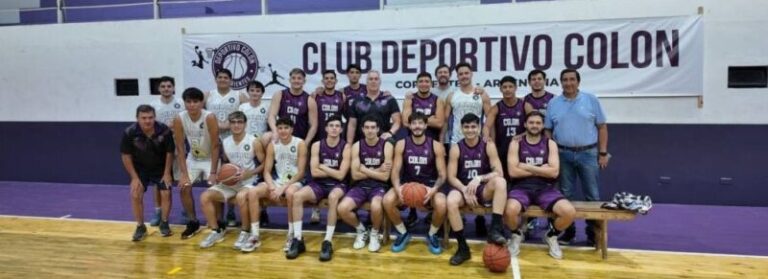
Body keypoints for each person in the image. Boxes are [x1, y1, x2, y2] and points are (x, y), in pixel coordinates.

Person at [544, 69, 610, 245]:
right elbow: (548, 130)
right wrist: (550, 154)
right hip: (562, 154)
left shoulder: (591, 100)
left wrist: (602, 153)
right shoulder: (553, 103)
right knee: (566, 194)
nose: (568, 83)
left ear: (578, 82)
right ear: (561, 83)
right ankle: (568, 231)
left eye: (572, 79)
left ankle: (592, 234)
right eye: (564, 80)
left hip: (588, 153)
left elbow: (602, 127)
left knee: (593, 196)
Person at [506, 111, 575, 259]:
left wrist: (527, 167)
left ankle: (551, 235)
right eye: (531, 122)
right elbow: (513, 172)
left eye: (538, 123)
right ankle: (517, 234)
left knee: (569, 212)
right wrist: (541, 168)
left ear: (543, 125)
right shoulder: (516, 143)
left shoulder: (550, 144)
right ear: (525, 125)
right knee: (510, 210)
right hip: (521, 188)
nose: (534, 125)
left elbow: (554, 173)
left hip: (545, 188)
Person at [445, 113, 508, 266]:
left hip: (482, 189)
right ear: (461, 128)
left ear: (479, 128)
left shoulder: (488, 145)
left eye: (473, 126)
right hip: (463, 188)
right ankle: (462, 248)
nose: (470, 130)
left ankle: (495, 229)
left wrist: (480, 178)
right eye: (466, 127)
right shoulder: (456, 148)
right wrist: (464, 189)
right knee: (450, 201)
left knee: (500, 182)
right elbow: (451, 177)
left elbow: (499, 172)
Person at [286, 116, 351, 261]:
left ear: (341, 129)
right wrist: (330, 170)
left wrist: (322, 166)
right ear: (326, 128)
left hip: (337, 185)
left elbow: (341, 175)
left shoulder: (346, 147)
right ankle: (297, 239)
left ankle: (327, 241)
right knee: (297, 196)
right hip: (319, 184)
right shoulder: (316, 145)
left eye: (337, 126)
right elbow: (314, 172)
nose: (334, 128)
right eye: (331, 125)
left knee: (333, 197)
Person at [383, 112, 447, 254]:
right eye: (414, 123)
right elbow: (395, 172)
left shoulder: (436, 145)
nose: (417, 126)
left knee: (442, 204)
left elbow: (442, 175)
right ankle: (403, 232)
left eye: (420, 123)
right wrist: (397, 188)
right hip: (407, 185)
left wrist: (434, 189)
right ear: (410, 125)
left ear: (425, 125)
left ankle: (432, 234)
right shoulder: (401, 144)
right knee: (387, 200)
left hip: (428, 186)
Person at [198, 111, 263, 249]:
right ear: (229, 124)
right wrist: (220, 175)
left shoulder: (254, 141)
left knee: (240, 197)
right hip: (231, 183)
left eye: (240, 122)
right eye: (233, 122)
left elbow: (264, 165)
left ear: (245, 124)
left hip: (249, 181)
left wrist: (249, 173)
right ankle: (216, 231)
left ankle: (245, 231)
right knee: (205, 196)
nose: (236, 125)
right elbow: (227, 164)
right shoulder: (225, 142)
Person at [241, 118, 308, 253]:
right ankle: (254, 235)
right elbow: (266, 171)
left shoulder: (300, 143)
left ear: (291, 129)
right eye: (280, 128)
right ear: (277, 130)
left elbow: (301, 172)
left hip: (295, 181)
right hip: (277, 181)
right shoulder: (272, 145)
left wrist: (282, 188)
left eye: (286, 128)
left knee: (290, 193)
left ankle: (291, 234)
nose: (283, 131)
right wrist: (272, 187)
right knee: (253, 192)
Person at [337, 115, 394, 253]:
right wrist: (376, 170)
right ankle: (361, 230)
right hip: (360, 186)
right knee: (342, 208)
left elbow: (385, 177)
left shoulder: (387, 145)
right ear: (362, 129)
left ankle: (374, 233)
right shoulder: (356, 146)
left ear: (378, 129)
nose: (370, 130)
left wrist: (364, 169)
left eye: (373, 127)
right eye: (367, 127)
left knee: (376, 206)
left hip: (379, 187)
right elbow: (355, 175)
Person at [120, 105, 175, 241]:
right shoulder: (129, 132)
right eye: (143, 118)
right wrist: (134, 177)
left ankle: (164, 222)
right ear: (137, 118)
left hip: (160, 168)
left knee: (166, 192)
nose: (147, 121)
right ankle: (140, 226)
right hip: (140, 170)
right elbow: (126, 156)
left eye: (150, 117)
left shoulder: (164, 130)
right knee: (135, 193)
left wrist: (167, 172)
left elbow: (170, 152)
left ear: (154, 117)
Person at [172, 87, 220, 240]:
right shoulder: (179, 118)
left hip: (210, 158)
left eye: (195, 101)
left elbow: (215, 145)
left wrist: (213, 172)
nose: (192, 105)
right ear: (185, 103)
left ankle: (218, 222)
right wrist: (184, 174)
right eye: (189, 102)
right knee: (184, 187)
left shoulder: (210, 117)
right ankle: (193, 221)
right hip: (193, 158)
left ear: (201, 103)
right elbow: (180, 147)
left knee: (215, 188)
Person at [205, 69, 248, 227]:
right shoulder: (208, 95)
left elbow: (246, 116)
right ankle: (218, 217)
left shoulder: (239, 96)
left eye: (226, 77)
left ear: (231, 80)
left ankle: (231, 211)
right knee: (217, 179)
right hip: (212, 142)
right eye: (220, 77)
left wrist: (225, 126)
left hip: (233, 142)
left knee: (232, 176)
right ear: (216, 79)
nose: (223, 80)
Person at [149, 76, 183, 227]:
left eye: (169, 86)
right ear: (159, 89)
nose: (166, 89)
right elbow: (150, 127)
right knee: (159, 182)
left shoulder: (181, 104)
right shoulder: (153, 106)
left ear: (174, 88)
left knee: (182, 181)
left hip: (178, 146)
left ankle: (186, 211)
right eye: (163, 86)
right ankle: (158, 211)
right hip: (159, 148)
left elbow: (184, 124)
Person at [346, 71, 401, 144]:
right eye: (370, 79)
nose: (373, 81)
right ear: (366, 82)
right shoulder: (357, 101)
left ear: (380, 82)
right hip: (361, 143)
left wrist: (390, 133)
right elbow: (352, 125)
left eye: (376, 79)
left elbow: (397, 121)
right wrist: (349, 144)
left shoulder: (389, 99)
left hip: (384, 142)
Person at [268, 68, 318, 144]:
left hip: (299, 139)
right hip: (281, 136)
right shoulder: (279, 94)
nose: (296, 81)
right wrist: (275, 132)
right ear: (289, 80)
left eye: (299, 78)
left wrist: (306, 142)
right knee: (266, 137)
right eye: (293, 78)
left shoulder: (309, 100)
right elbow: (271, 115)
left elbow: (314, 125)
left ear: (304, 81)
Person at [401, 72, 445, 140]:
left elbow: (439, 123)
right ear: (416, 84)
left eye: (427, 81)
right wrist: (430, 119)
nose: (424, 84)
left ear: (431, 84)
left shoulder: (438, 100)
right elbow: (406, 122)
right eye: (421, 81)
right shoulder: (410, 99)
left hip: (431, 139)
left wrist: (414, 121)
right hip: (412, 138)